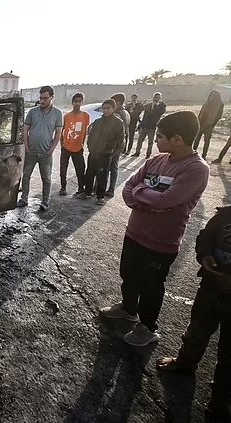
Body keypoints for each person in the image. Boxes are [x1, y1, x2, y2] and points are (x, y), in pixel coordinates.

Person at [100, 110, 209, 346]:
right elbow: (128, 189)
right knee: (128, 275)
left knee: (151, 287)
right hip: (134, 233)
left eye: (160, 136)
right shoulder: (155, 161)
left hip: (161, 243)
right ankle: (129, 309)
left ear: (177, 140)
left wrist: (143, 197)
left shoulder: (196, 169)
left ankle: (147, 328)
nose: (156, 140)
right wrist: (145, 198)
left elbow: (166, 200)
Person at [155, 204, 231, 421]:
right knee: (196, 331)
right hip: (210, 287)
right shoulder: (225, 214)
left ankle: (221, 397)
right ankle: (185, 362)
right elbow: (205, 237)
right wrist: (205, 255)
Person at [17, 86, 63, 212]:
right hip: (31, 151)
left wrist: (51, 150)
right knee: (26, 176)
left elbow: (58, 134)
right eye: (41, 98)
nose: (42, 101)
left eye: (45, 98)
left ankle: (45, 201)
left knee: (46, 178)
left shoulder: (58, 113)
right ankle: (24, 198)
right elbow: (25, 130)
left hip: (46, 153)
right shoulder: (33, 112)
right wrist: (26, 147)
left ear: (52, 97)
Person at [76, 99, 124, 205]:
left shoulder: (118, 123)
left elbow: (119, 139)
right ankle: (87, 192)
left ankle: (100, 196)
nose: (106, 110)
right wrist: (91, 148)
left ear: (113, 108)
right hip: (93, 153)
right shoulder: (98, 122)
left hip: (105, 154)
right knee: (89, 173)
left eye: (108, 108)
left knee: (102, 175)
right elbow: (91, 136)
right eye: (104, 108)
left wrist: (108, 149)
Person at [59, 92, 91, 196]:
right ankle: (63, 187)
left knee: (80, 169)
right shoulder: (67, 116)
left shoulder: (85, 116)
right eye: (75, 101)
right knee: (63, 168)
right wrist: (62, 143)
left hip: (78, 148)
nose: (77, 103)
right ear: (72, 102)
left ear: (82, 102)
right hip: (66, 147)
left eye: (79, 101)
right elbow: (61, 130)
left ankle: (81, 187)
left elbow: (85, 130)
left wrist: (82, 143)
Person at [107, 93, 130, 197]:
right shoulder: (125, 112)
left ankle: (107, 188)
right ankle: (110, 188)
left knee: (108, 166)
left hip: (115, 144)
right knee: (114, 166)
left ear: (118, 102)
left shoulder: (119, 114)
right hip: (120, 143)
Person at [132, 92, 166, 158]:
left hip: (152, 126)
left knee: (150, 142)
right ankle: (137, 152)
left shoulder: (162, 106)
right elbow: (142, 111)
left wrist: (156, 105)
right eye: (154, 97)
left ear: (160, 98)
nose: (155, 99)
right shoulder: (148, 105)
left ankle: (148, 154)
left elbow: (159, 113)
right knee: (140, 140)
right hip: (144, 125)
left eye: (157, 98)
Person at [193, 90, 224, 159]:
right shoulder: (206, 103)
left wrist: (212, 124)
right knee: (197, 139)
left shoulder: (220, 105)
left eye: (213, 95)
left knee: (206, 141)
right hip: (201, 123)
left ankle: (204, 155)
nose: (211, 97)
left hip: (209, 125)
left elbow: (218, 116)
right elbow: (201, 113)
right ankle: (194, 152)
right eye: (211, 95)